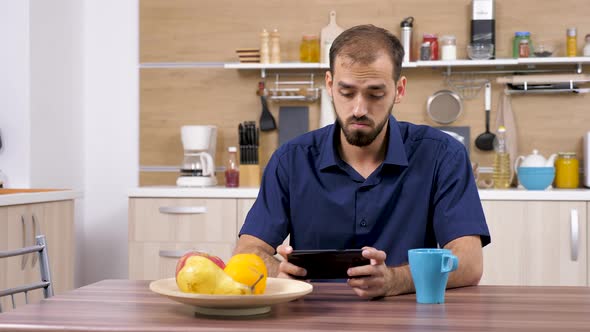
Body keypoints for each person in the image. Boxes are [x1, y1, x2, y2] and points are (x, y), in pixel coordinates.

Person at [234, 24, 490, 299]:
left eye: (375, 94)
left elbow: (469, 263)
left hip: (408, 319)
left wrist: (395, 280)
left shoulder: (443, 155)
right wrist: (278, 273)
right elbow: (247, 251)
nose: (359, 109)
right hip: (312, 318)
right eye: (347, 92)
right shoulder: (290, 160)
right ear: (330, 85)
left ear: (399, 90)